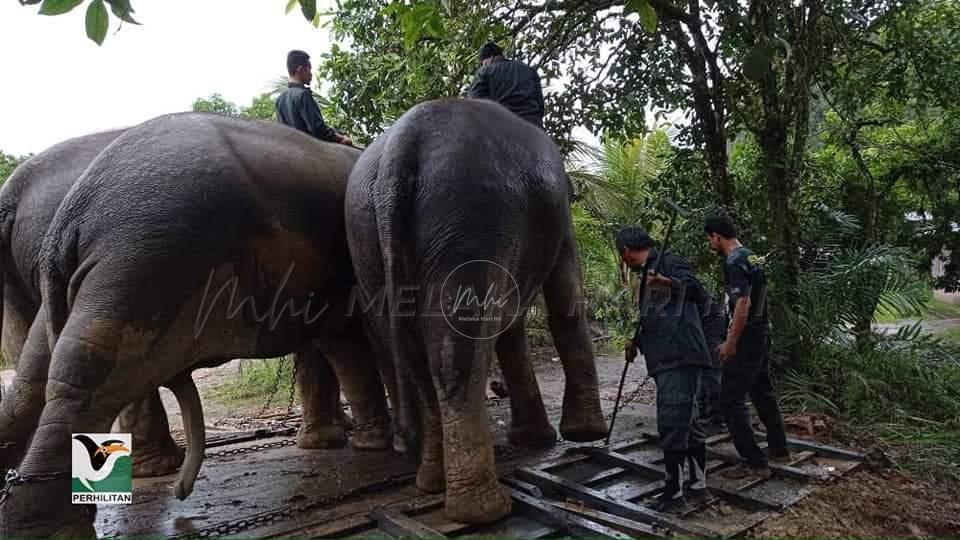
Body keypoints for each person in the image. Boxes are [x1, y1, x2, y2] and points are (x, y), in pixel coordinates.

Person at [618, 226, 712, 511]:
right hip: (670, 357)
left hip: (679, 356)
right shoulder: (648, 274)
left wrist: (667, 282)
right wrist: (637, 342)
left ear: (624, 252)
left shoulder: (667, 262)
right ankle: (697, 485)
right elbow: (656, 319)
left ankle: (673, 493)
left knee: (672, 422)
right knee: (688, 423)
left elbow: (697, 290)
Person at [704, 215, 790, 478]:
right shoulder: (751, 256)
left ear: (717, 237)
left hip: (747, 336)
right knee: (762, 390)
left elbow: (743, 304)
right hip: (761, 331)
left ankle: (754, 461)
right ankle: (778, 448)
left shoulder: (734, 261)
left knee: (730, 400)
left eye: (710, 239)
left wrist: (731, 341)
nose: (710, 244)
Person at [275, 50, 353, 146]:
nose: (311, 74)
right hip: (310, 151)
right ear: (300, 69)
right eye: (309, 69)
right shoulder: (303, 95)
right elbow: (318, 130)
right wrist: (341, 137)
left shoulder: (279, 100)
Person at [468, 42, 546, 130]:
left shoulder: (484, 72)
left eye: (483, 63)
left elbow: (474, 105)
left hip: (504, 126)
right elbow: (540, 106)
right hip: (534, 126)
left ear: (491, 57)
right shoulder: (529, 70)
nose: (483, 66)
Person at [698, 290, 727, 436]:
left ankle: (717, 420)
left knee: (711, 375)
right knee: (703, 374)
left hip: (711, 330)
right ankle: (703, 417)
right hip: (704, 329)